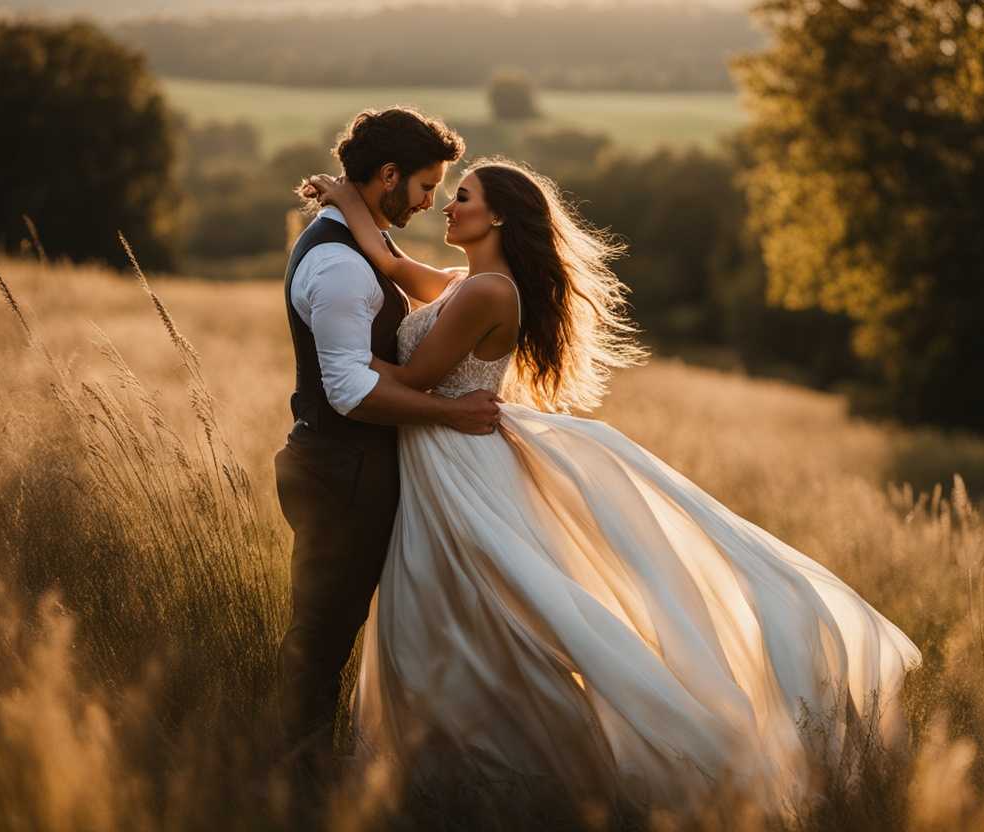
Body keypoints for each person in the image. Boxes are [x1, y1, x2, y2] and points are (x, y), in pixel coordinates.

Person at [304, 160, 922, 815]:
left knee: (457, 612)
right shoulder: (468, 283)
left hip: (458, 463)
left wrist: (333, 356)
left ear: (500, 216)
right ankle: (464, 773)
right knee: (455, 617)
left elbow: (417, 378)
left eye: (462, 197)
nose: (447, 207)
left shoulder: (488, 294)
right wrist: (349, 200)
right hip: (443, 457)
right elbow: (392, 264)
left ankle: (511, 776)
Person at [274, 108, 501, 790]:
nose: (432, 202)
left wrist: (358, 211)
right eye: (428, 185)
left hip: (352, 466)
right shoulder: (341, 267)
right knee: (321, 641)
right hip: (342, 469)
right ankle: (294, 786)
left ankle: (322, 771)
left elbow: (427, 285)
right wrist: (450, 414)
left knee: (348, 632)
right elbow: (348, 391)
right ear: (390, 175)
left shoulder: (351, 241)